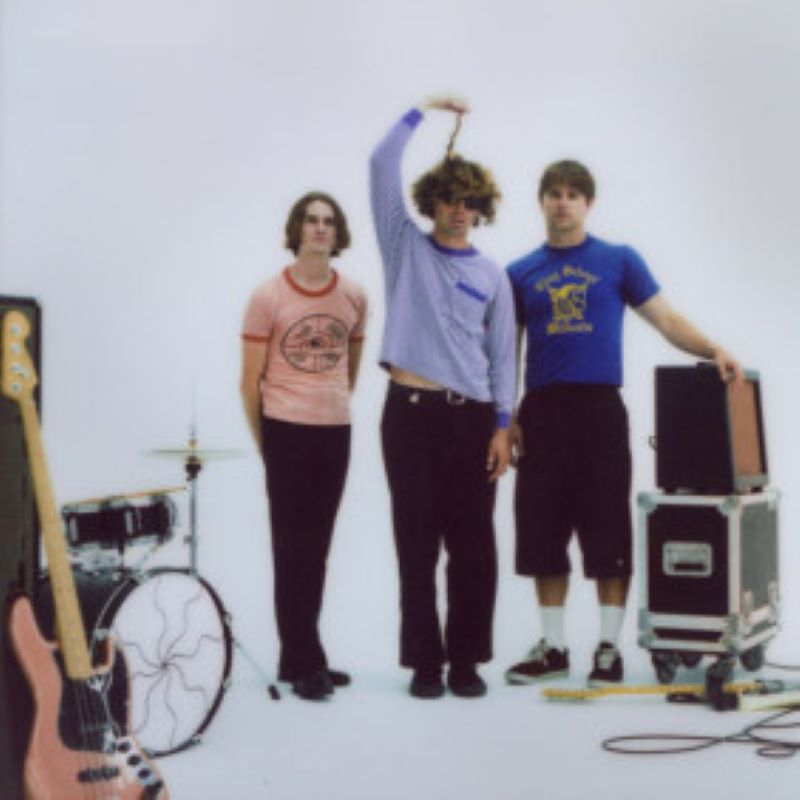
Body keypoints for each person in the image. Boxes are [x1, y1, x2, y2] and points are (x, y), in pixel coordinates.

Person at [505, 160, 743, 686]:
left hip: (599, 410)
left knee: (607, 528)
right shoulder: (520, 272)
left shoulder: (618, 260)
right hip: (542, 412)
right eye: (554, 193)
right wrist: (508, 416)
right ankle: (553, 647)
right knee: (542, 530)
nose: (563, 202)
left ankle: (608, 649)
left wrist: (713, 349)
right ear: (541, 202)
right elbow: (506, 351)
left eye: (573, 194)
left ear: (588, 203)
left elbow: (667, 320)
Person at [370, 95, 516, 699]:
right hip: (408, 417)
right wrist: (421, 110)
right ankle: (425, 663)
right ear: (432, 202)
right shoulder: (404, 247)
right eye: (451, 199)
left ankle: (466, 661)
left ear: (480, 211)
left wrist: (502, 427)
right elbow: (381, 164)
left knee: (473, 547)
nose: (460, 210)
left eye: (470, 202)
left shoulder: (493, 275)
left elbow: (504, 357)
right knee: (416, 544)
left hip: (472, 420)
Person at [240, 191, 367, 701]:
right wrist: (267, 443)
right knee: (291, 548)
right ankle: (306, 658)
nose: (319, 228)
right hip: (284, 428)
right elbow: (249, 383)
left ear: (338, 234)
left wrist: (329, 406)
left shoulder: (354, 295)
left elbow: (350, 370)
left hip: (334, 430)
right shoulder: (267, 296)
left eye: (328, 222)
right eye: (311, 220)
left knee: (317, 549)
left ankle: (299, 657)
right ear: (297, 229)